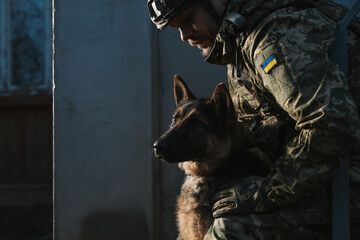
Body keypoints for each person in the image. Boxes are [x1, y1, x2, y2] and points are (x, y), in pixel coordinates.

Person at [148, 0, 360, 239]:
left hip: (345, 184)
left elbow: (331, 126)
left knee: (229, 229)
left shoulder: (275, 37)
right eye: (177, 27)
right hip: (315, 180)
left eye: (187, 19)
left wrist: (267, 193)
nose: (184, 35)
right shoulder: (242, 42)